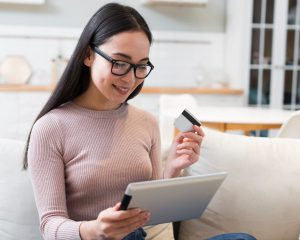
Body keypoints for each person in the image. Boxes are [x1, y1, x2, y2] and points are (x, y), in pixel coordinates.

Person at [23, 3, 256, 240]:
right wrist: (96, 230)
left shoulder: (146, 122)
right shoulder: (50, 128)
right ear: (88, 55)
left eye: (141, 66)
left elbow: (151, 213)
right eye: (120, 63)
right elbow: (50, 225)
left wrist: (173, 168)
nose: (130, 78)